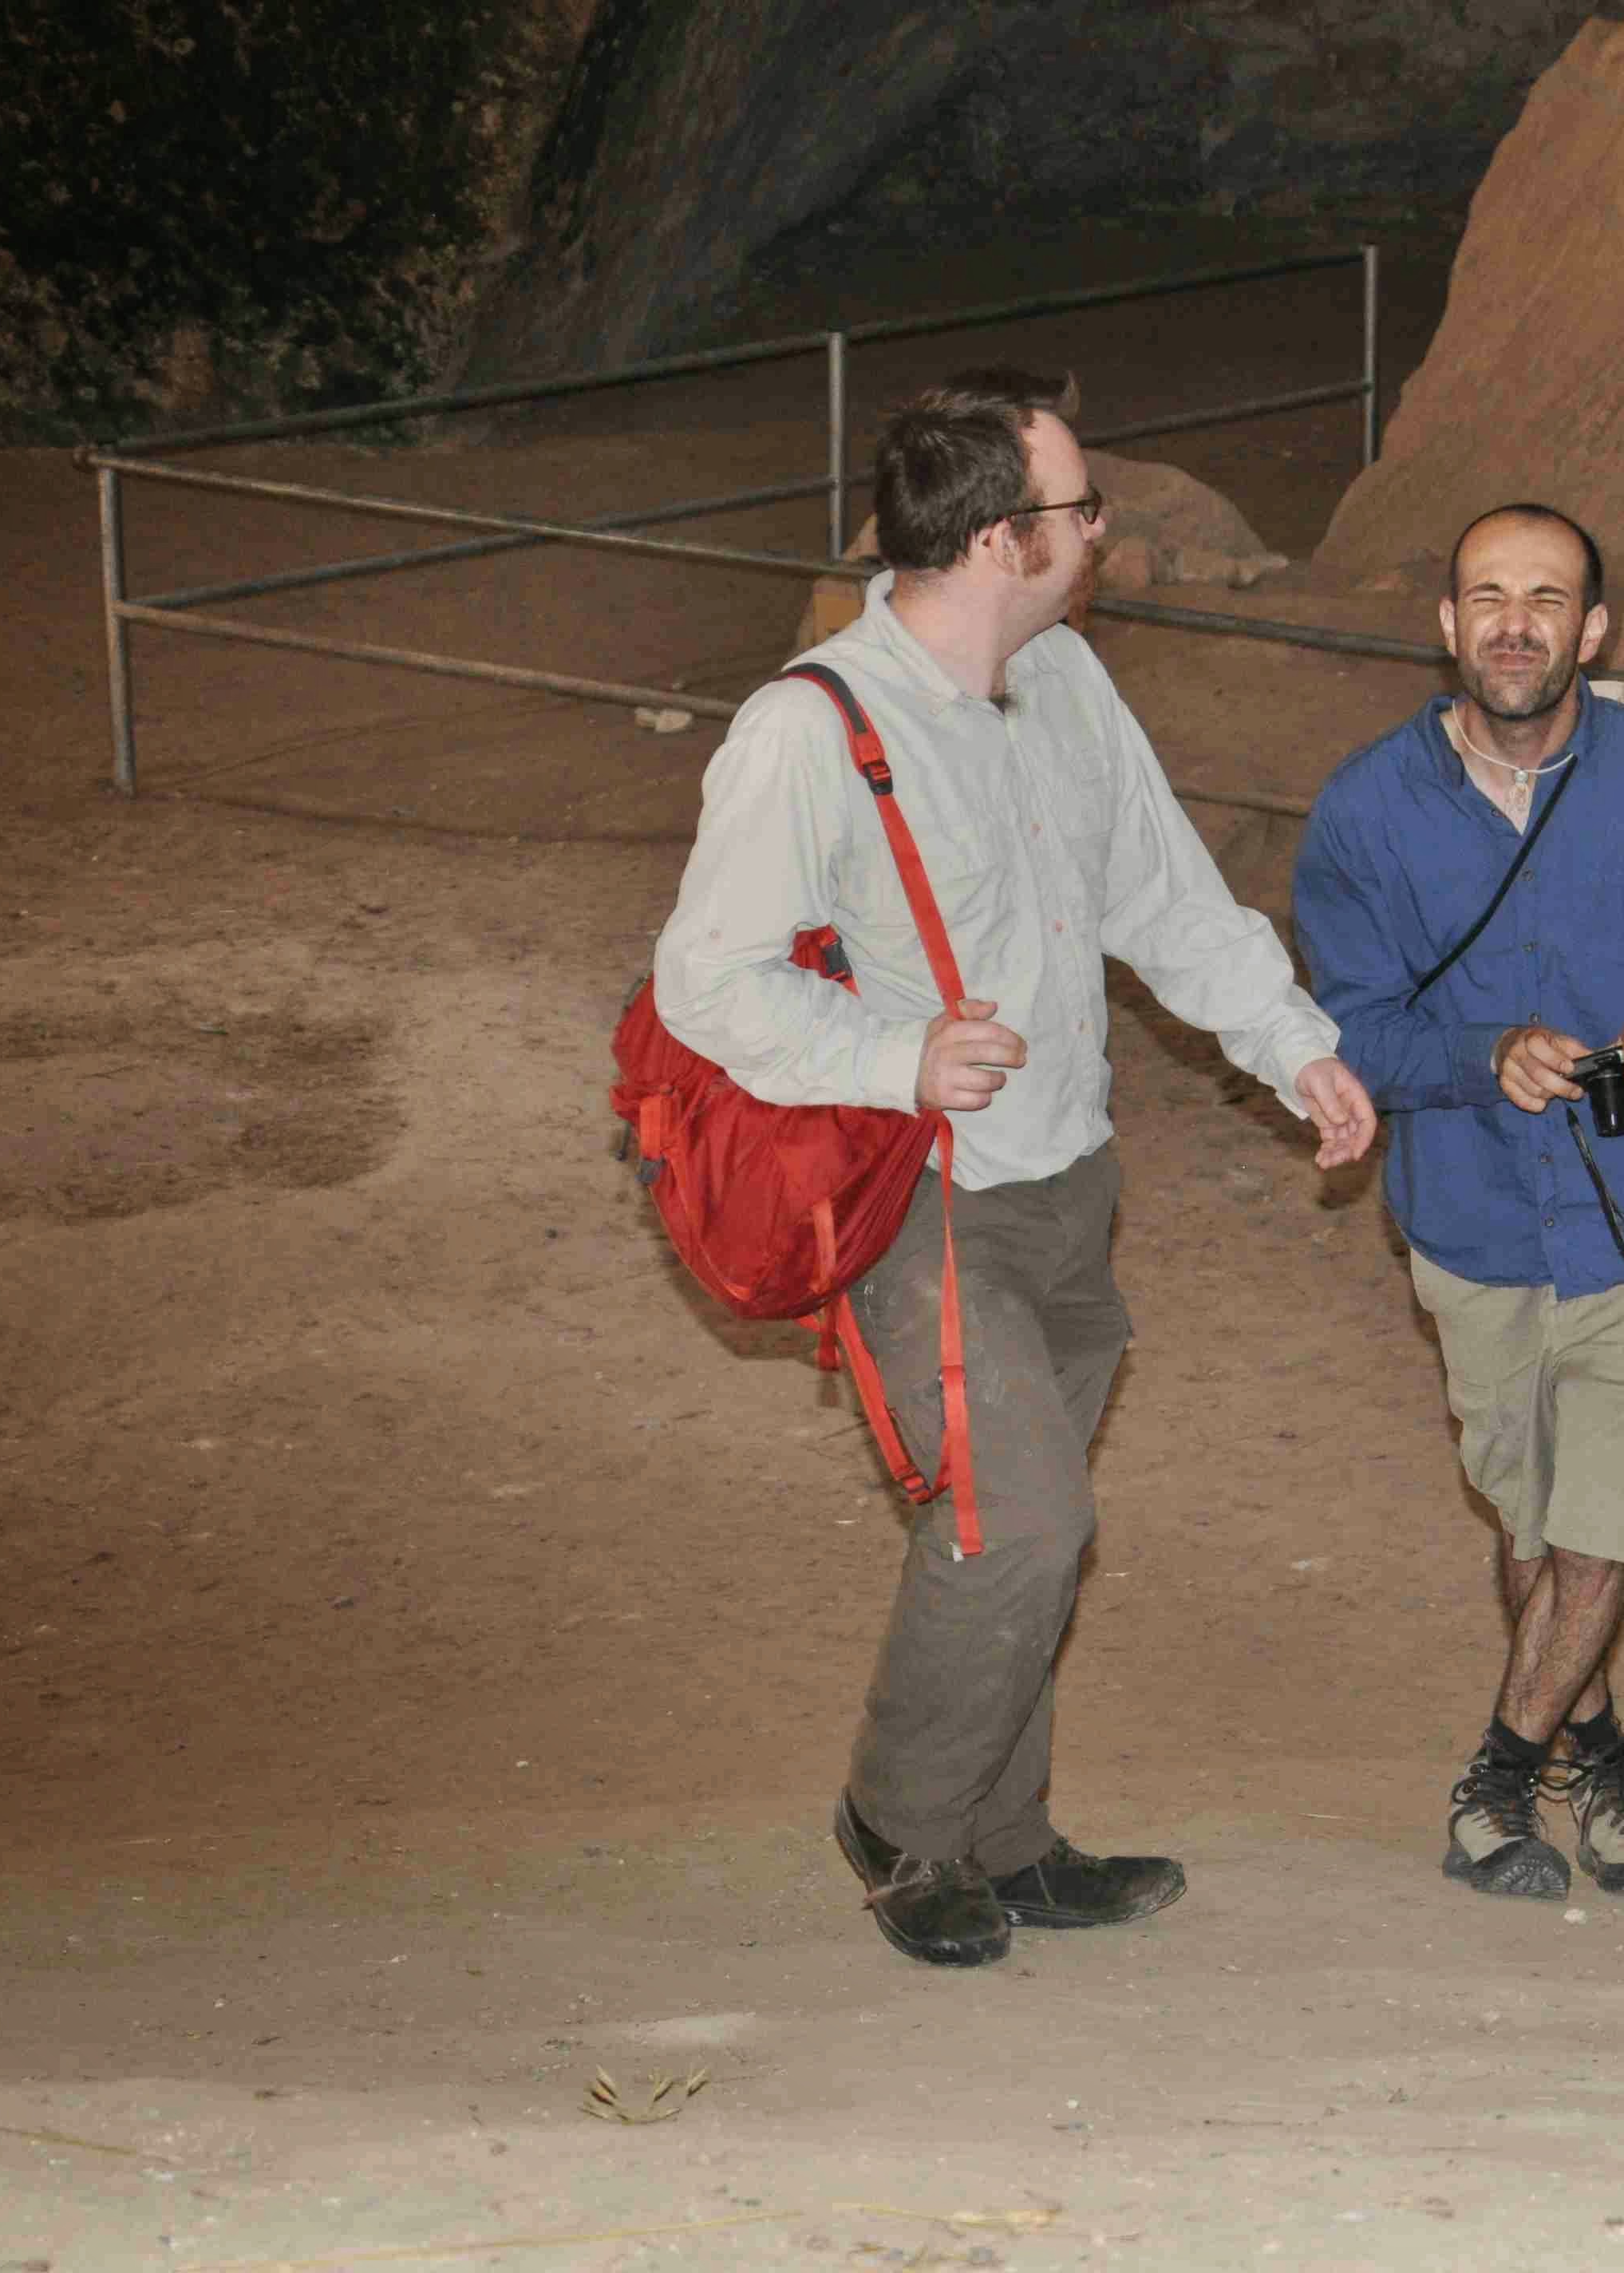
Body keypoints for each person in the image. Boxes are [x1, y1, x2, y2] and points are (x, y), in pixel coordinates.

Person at [650, 368, 1377, 1967]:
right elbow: (704, 981)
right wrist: (891, 1057)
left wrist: (1294, 1046)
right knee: (1021, 1521)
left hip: (1066, 1179)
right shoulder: (810, 729)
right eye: (1079, 507)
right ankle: (898, 1819)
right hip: (922, 1195)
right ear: (999, 538)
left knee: (1015, 1528)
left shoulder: (1062, 681)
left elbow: (1164, 896)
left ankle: (1009, 1839)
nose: (1100, 530)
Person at [1289, 504, 1624, 1899]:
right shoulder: (1366, 809)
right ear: (1449, 624)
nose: (1517, 625)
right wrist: (1479, 1055)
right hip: (1473, 1217)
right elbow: (1343, 1028)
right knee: (1535, 1522)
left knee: (1607, 1513)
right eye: (1491, 598)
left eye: (1549, 599)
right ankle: (1604, 1756)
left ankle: (1497, 1780)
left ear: (1596, 629)